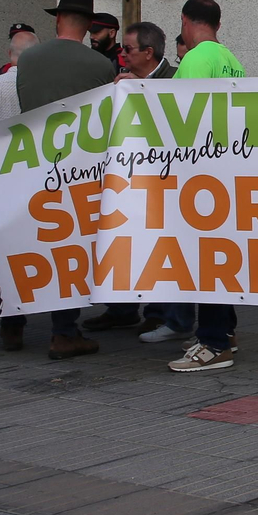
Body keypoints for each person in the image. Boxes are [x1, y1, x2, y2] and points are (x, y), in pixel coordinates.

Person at [4, 0, 119, 358]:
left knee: (25, 243)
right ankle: (64, 331)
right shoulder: (101, 66)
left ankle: (12, 322)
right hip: (78, 168)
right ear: (89, 27)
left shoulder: (29, 59)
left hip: (30, 159)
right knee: (69, 247)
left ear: (57, 20)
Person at [168, 0, 249, 372]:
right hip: (224, 167)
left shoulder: (197, 58)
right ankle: (224, 332)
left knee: (204, 259)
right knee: (216, 254)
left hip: (199, 171)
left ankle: (213, 343)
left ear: (186, 20)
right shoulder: (230, 60)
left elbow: (183, 113)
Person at [85, 21, 179, 337]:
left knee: (160, 245)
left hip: (164, 181)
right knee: (125, 240)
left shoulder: (175, 79)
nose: (122, 55)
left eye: (128, 49)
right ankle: (122, 309)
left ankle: (158, 313)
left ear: (148, 53)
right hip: (129, 179)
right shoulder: (125, 80)